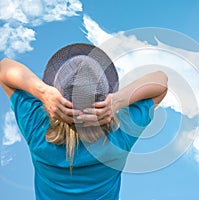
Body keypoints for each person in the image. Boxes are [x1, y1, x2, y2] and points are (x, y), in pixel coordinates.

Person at [0, 43, 168, 200]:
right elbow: (161, 81)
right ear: (104, 93)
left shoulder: (37, 129)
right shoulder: (120, 135)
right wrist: (117, 101)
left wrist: (43, 93)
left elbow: (4, 67)